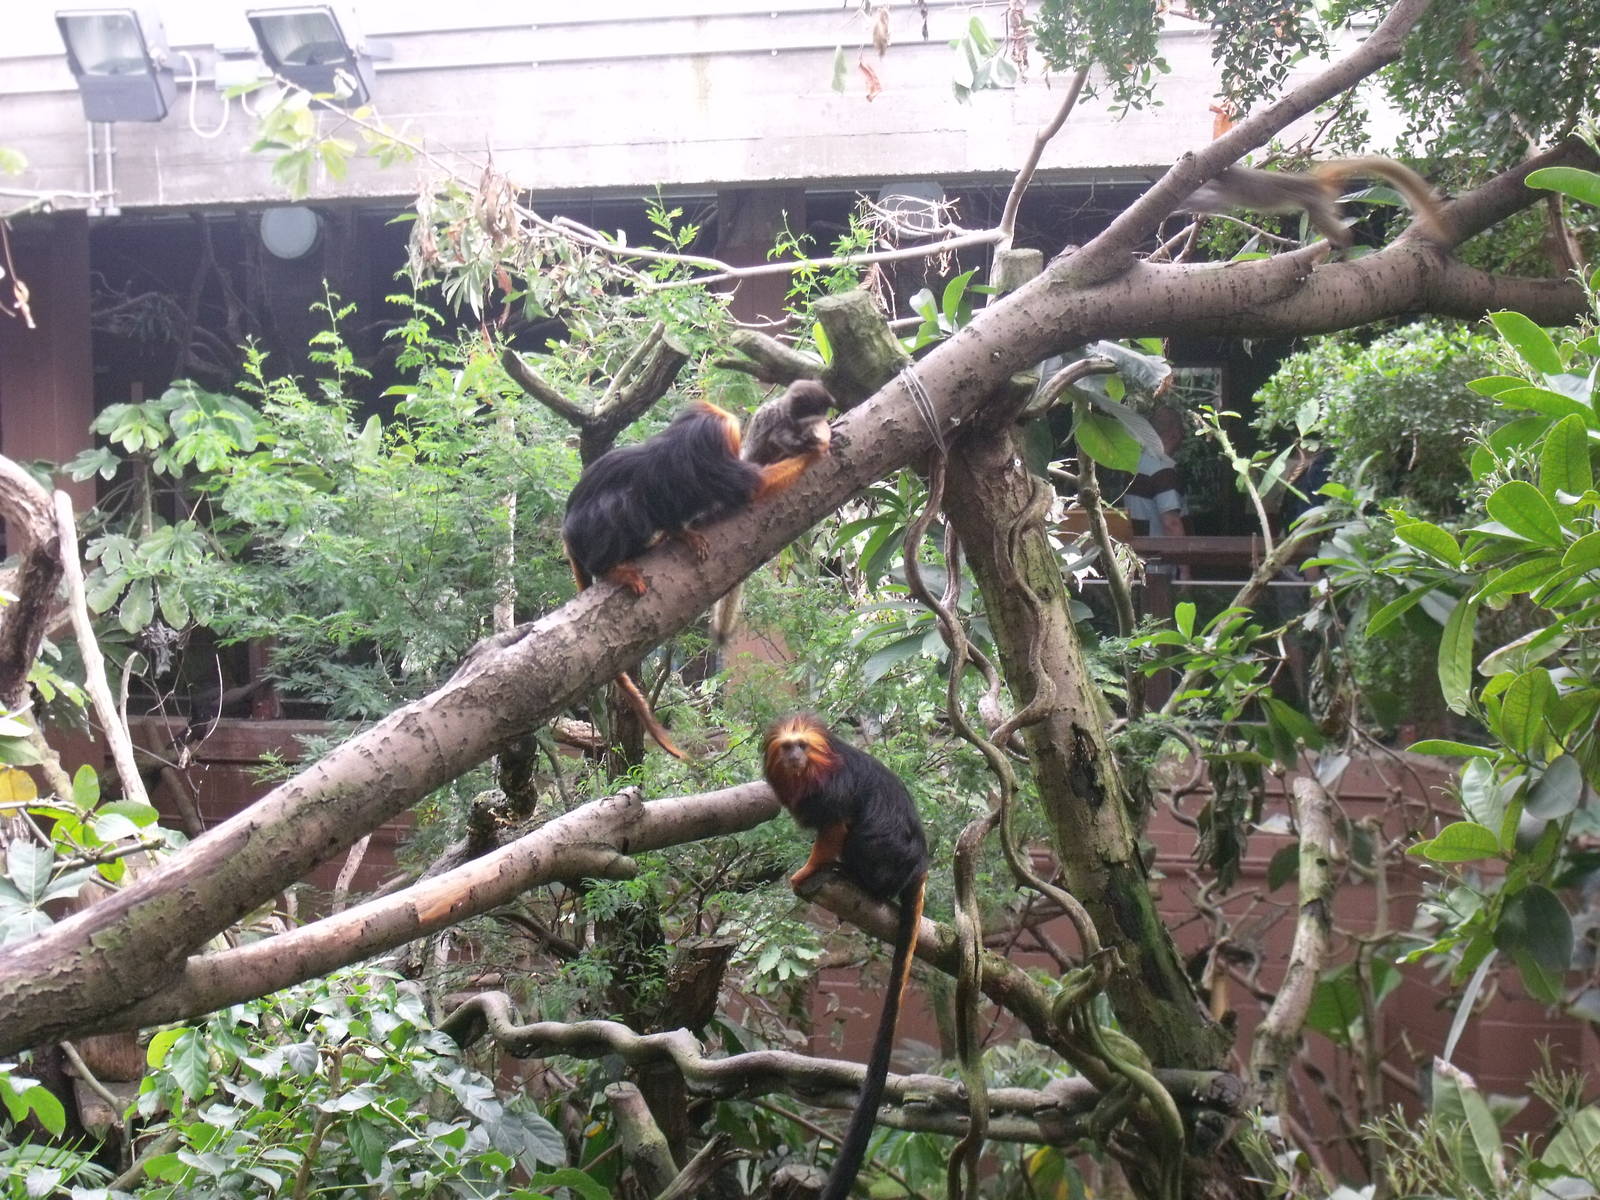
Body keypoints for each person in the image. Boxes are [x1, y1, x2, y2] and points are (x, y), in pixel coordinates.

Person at [1124, 407, 1188, 538]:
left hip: (1139, 550)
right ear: (1175, 434)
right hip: (1160, 554)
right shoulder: (1163, 471)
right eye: (1182, 431)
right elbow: (1171, 524)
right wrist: (1186, 556)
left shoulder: (1136, 465)